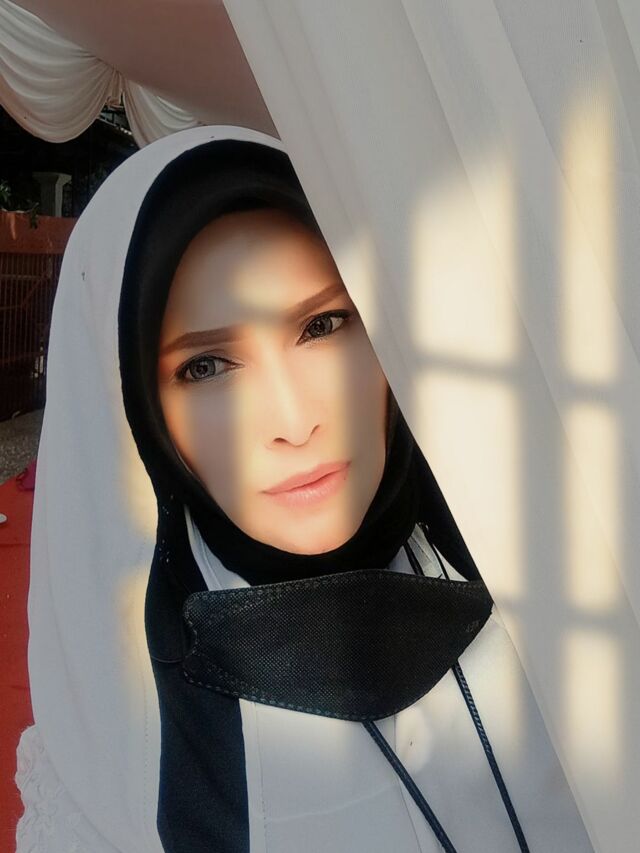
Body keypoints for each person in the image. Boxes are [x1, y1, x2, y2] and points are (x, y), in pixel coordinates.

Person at [15, 126, 594, 853]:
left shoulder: (544, 567)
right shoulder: (133, 753)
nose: (295, 421)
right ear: (135, 409)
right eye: (205, 367)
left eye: (323, 324)